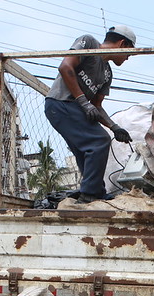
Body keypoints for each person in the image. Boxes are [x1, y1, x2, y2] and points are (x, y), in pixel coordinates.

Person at [44, 25, 136, 203]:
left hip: (77, 109)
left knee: (85, 149)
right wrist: (83, 101)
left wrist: (115, 127)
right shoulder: (89, 43)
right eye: (128, 53)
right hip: (61, 104)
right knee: (99, 140)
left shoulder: (107, 74)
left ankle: (95, 191)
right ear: (122, 43)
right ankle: (89, 194)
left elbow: (97, 106)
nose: (127, 58)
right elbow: (65, 68)